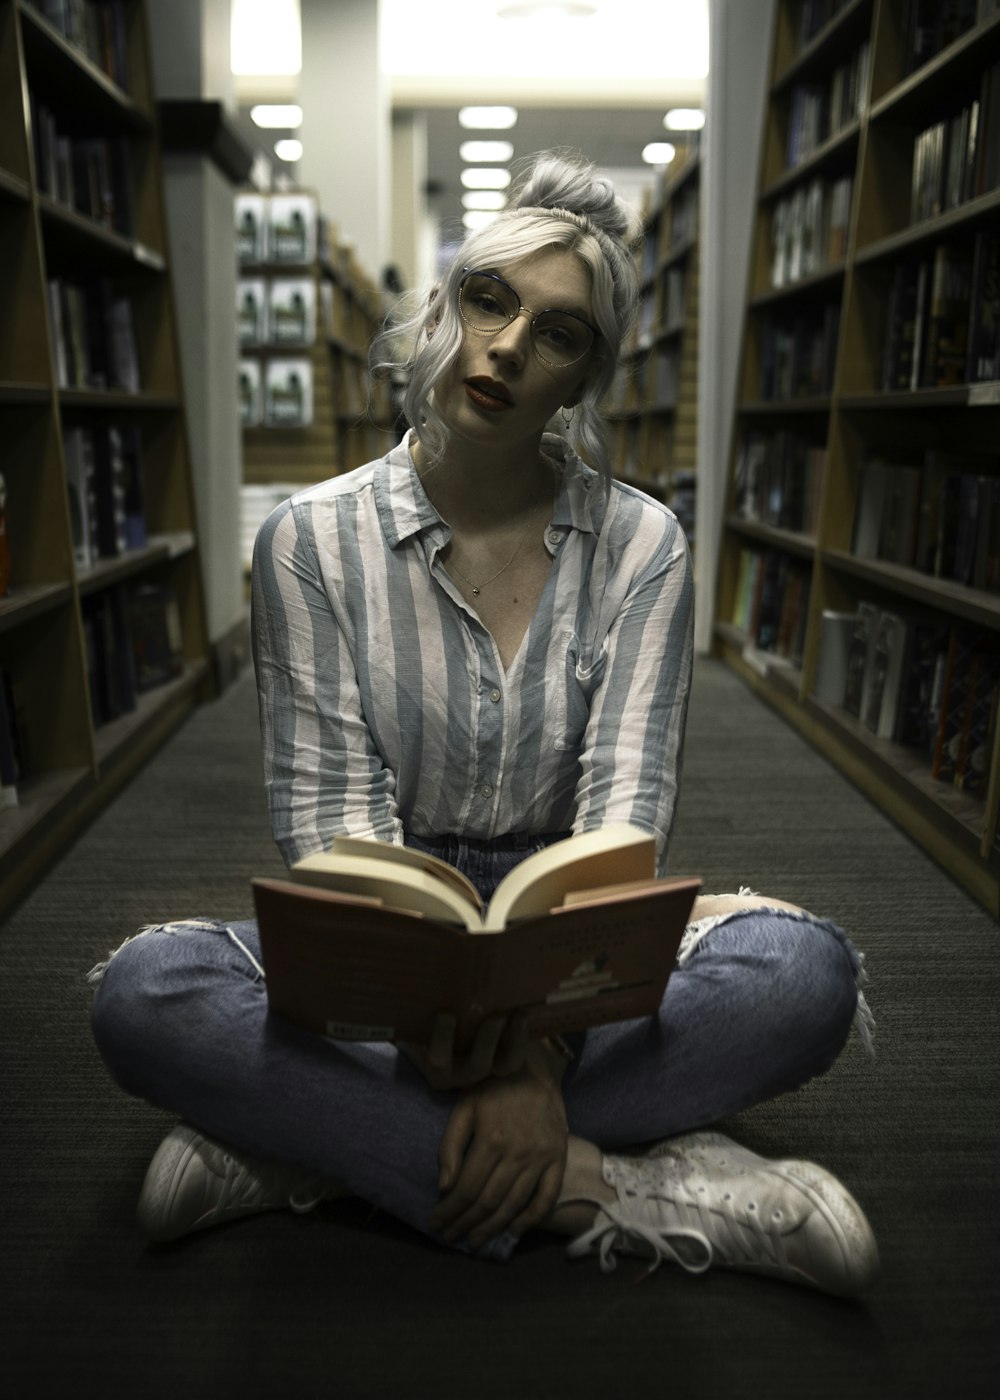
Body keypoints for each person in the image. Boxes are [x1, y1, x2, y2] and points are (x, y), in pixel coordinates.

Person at [90, 152, 878, 1297]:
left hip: (569, 932)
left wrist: (540, 1041)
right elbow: (330, 827)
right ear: (442, 311)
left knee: (802, 973)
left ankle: (313, 1143)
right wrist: (437, 1028)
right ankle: (608, 1187)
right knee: (145, 994)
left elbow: (621, 820)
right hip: (383, 924)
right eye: (489, 298)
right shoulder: (311, 540)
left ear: (583, 379)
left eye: (556, 334)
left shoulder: (642, 544)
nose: (507, 346)